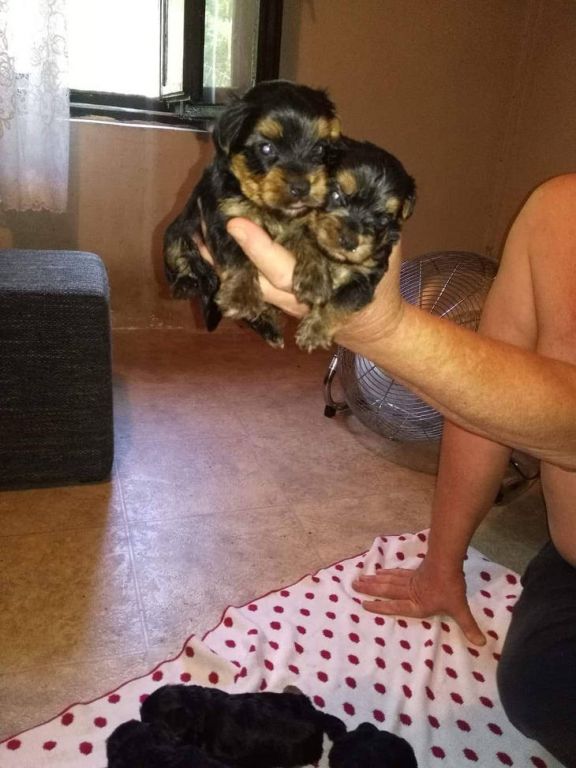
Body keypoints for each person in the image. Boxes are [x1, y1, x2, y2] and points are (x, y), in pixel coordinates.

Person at [196, 173, 576, 766]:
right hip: (568, 565)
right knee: (541, 691)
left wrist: (385, 329)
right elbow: (484, 400)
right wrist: (441, 565)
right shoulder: (556, 207)